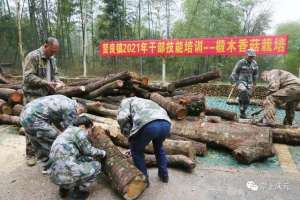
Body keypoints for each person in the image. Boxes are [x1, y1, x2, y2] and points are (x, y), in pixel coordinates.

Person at [23, 37, 65, 166]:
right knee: (31, 124)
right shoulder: (33, 56)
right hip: (33, 95)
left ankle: (43, 152)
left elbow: (55, 74)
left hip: (46, 96)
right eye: (52, 51)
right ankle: (30, 153)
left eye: (55, 52)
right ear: (45, 45)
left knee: (46, 123)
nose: (53, 54)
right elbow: (28, 77)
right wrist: (46, 83)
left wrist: (58, 81)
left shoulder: (52, 59)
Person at [20, 95, 86, 168]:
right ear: (79, 107)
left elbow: (56, 118)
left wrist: (62, 130)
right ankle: (52, 165)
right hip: (34, 119)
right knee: (54, 138)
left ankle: (43, 160)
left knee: (35, 139)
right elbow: (70, 130)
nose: (78, 114)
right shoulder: (72, 109)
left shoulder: (65, 100)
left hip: (24, 115)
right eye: (81, 112)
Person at [49, 116, 106, 199]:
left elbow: (80, 153)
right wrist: (103, 153)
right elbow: (89, 151)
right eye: (90, 129)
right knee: (97, 165)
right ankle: (78, 193)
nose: (90, 132)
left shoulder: (68, 131)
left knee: (86, 159)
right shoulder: (79, 132)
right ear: (83, 126)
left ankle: (64, 188)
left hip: (54, 174)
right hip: (64, 174)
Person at [117, 97, 171, 183]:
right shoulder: (145, 101)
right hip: (166, 124)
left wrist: (128, 134)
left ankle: (144, 180)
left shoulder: (125, 101)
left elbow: (122, 118)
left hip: (149, 125)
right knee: (159, 147)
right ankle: (164, 175)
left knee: (136, 151)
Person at [230, 49, 259, 118]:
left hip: (250, 84)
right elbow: (234, 73)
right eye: (250, 56)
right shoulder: (241, 62)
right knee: (243, 91)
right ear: (246, 55)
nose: (251, 58)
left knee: (248, 98)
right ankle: (241, 104)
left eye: (253, 57)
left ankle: (242, 112)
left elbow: (255, 75)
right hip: (241, 82)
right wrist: (233, 83)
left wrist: (254, 84)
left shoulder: (254, 63)